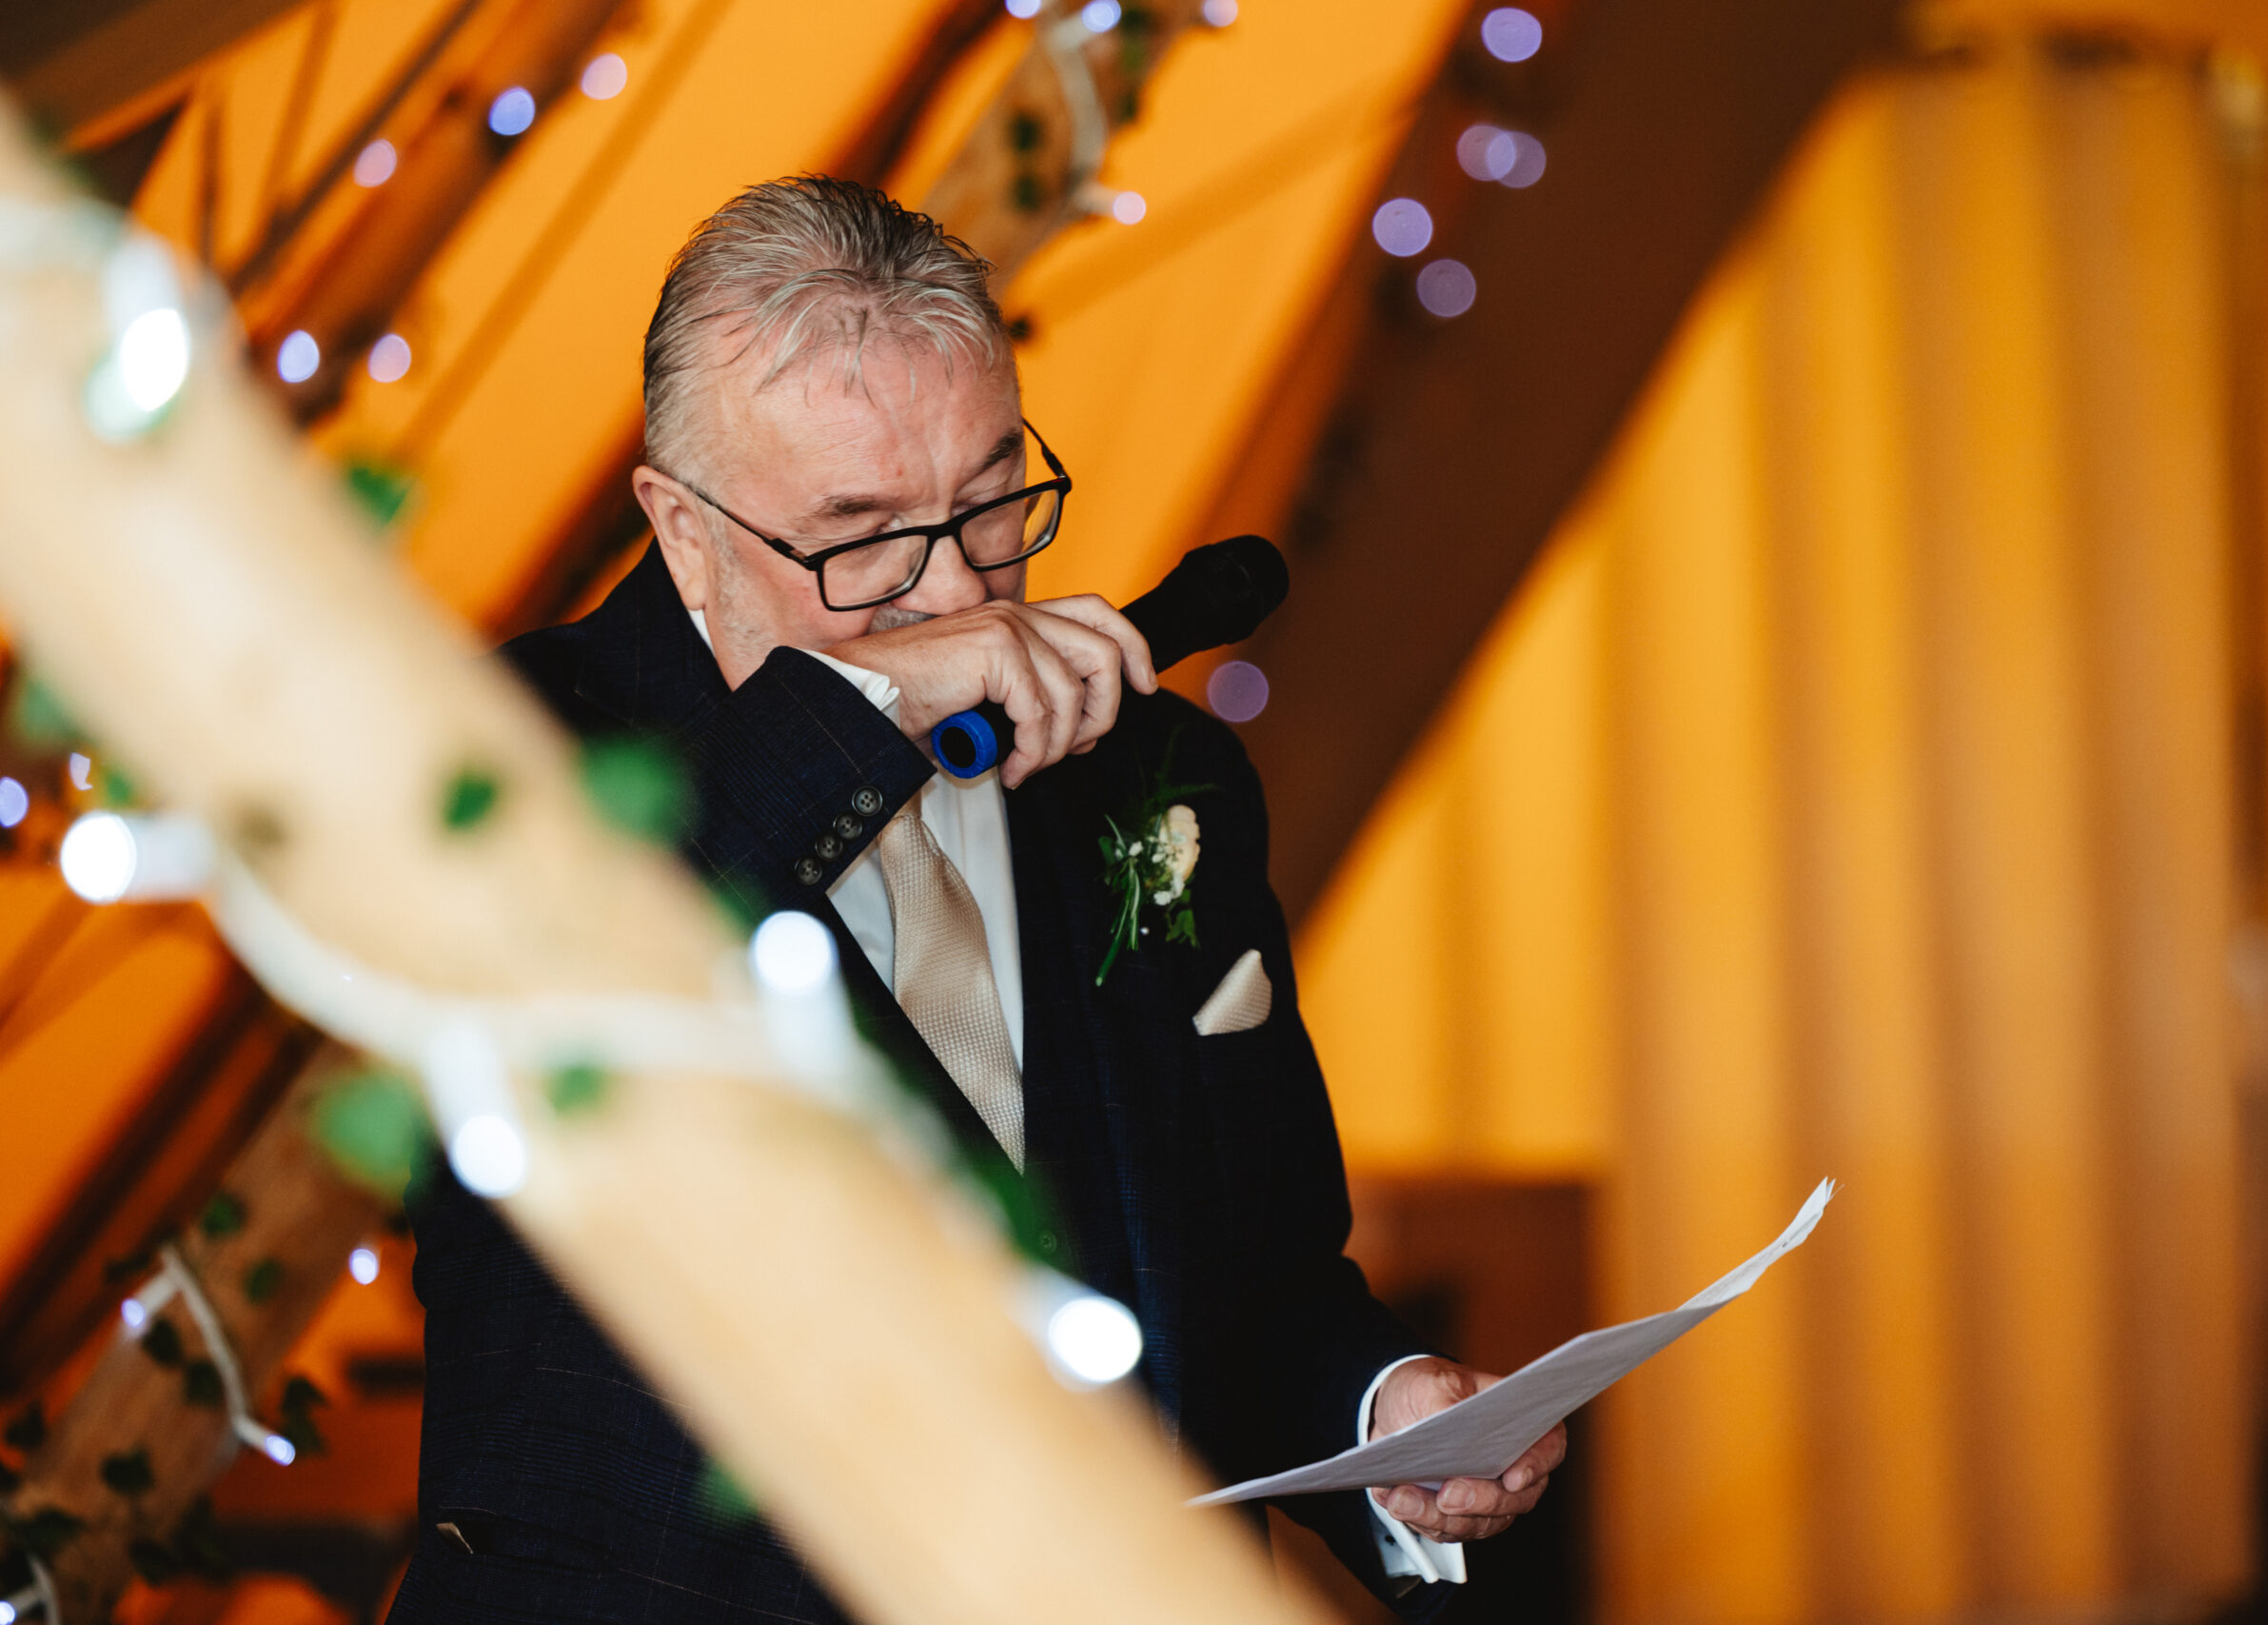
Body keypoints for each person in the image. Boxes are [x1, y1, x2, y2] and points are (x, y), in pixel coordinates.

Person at [386, 175, 1564, 1625]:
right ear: (680, 528)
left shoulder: (1159, 775)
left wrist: (1385, 1412)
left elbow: (1244, 1272)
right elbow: (608, 971)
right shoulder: (506, 754)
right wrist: (864, 711)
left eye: (993, 499)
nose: (952, 588)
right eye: (860, 530)